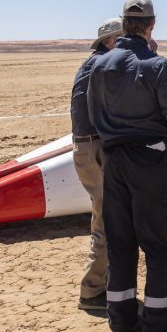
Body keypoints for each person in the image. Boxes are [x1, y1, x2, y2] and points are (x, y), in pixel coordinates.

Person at [86, 0, 167, 332]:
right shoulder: (157, 65)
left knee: (121, 243)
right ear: (152, 24)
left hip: (113, 162)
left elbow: (92, 115)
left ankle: (121, 323)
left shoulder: (98, 65)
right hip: (150, 163)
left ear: (122, 23)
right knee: (160, 244)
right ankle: (159, 325)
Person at [71, 18, 123, 312]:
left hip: (88, 146)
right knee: (107, 219)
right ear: (111, 40)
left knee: (105, 216)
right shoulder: (104, 65)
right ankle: (92, 291)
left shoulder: (93, 64)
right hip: (96, 147)